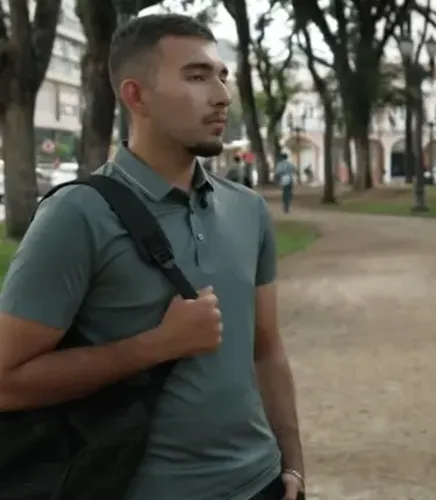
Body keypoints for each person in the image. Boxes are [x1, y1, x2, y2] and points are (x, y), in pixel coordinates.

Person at [0, 14, 305, 500]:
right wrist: (156, 346)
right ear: (135, 95)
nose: (222, 95)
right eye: (197, 76)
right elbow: (6, 381)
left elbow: (266, 349)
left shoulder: (247, 209)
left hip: (261, 483)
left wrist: (293, 464)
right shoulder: (76, 215)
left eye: (222, 77)